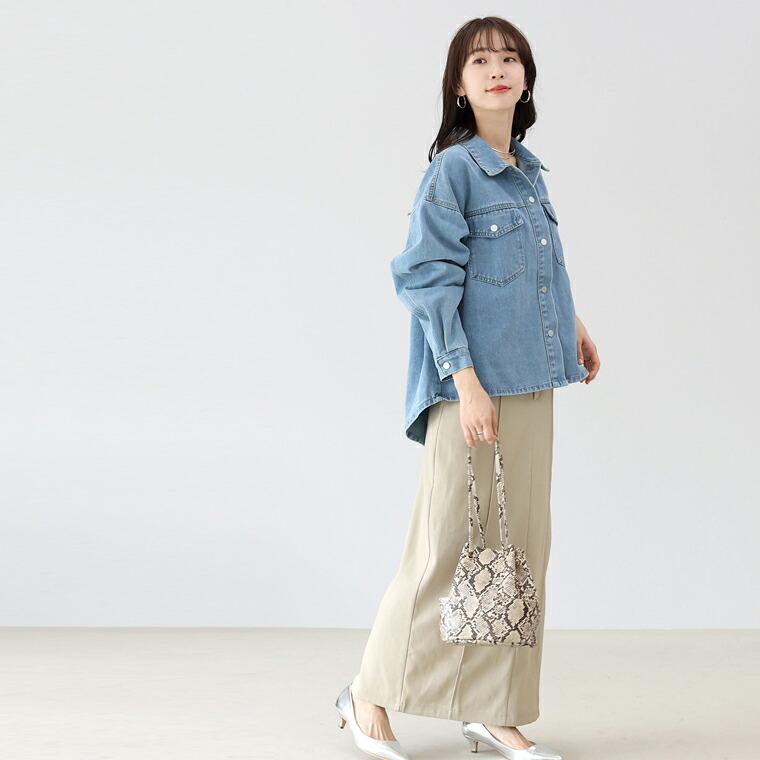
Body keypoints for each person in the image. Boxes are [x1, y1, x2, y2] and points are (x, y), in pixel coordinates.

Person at [335, 16, 600, 760]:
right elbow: (426, 280)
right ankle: (367, 692)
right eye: (479, 60)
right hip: (472, 390)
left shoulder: (527, 171)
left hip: (534, 380)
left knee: (518, 551)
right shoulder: (453, 171)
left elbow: (538, 270)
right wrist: (466, 382)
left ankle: (494, 709)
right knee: (446, 547)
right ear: (458, 83)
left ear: (526, 78)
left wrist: (574, 327)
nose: (496, 69)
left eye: (509, 58)